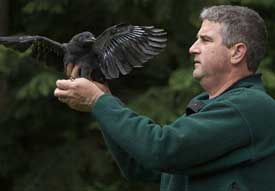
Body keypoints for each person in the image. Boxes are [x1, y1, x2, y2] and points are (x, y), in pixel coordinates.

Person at [54, 5, 275, 191]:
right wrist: (103, 98)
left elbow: (162, 151)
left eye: (205, 40)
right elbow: (140, 165)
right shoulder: (207, 105)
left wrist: (99, 102)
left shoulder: (250, 107)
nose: (192, 48)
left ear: (237, 52)